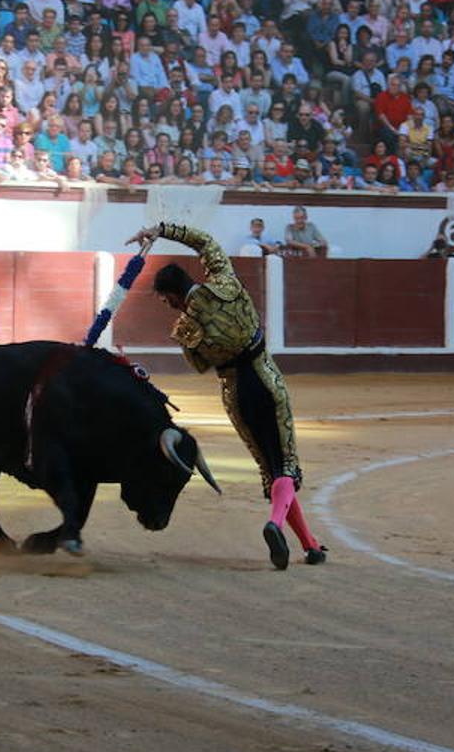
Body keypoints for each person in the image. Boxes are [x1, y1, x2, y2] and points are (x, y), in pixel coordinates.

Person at [125, 222, 327, 570]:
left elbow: (200, 364)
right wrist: (160, 229)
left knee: (271, 469)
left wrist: (197, 333)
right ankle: (275, 524)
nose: (169, 306)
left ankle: (309, 545)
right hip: (266, 377)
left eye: (166, 300)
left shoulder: (184, 327)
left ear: (173, 295)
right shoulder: (226, 281)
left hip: (237, 393)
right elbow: (204, 239)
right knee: (286, 468)